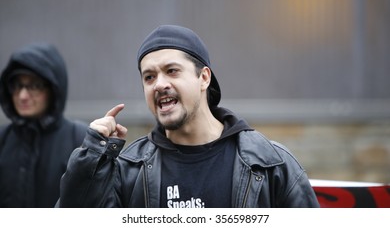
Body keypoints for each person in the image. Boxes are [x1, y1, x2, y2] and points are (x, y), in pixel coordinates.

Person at [59, 25, 320, 208]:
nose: (159, 84)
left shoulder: (272, 164)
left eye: (172, 71)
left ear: (203, 77)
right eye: (149, 77)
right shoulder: (127, 170)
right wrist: (92, 157)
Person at [0, 43, 88, 207]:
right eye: (17, 85)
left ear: (54, 89)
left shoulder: (79, 139)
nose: (23, 95)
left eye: (34, 86)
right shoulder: (2, 139)